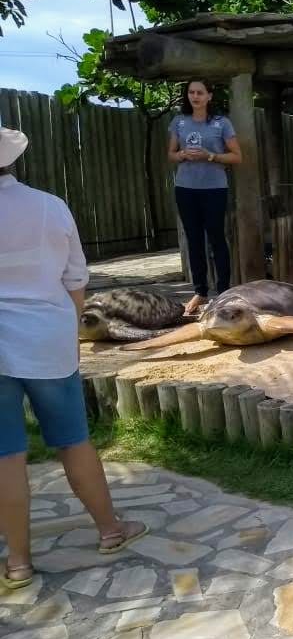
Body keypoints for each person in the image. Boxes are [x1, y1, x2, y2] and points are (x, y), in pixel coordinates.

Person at [0, 127, 148, 589]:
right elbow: (75, 279)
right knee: (73, 441)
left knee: (6, 457)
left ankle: (19, 562)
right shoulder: (50, 206)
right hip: (47, 340)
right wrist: (68, 329)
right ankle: (110, 530)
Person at [168, 80, 243, 316]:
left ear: (210, 96)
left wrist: (210, 156)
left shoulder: (222, 123)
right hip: (185, 188)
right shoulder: (179, 121)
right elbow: (170, 154)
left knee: (216, 238)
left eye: (200, 92)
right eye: (191, 92)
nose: (195, 96)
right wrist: (181, 154)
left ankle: (223, 290)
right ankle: (200, 291)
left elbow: (236, 157)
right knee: (194, 239)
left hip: (214, 189)